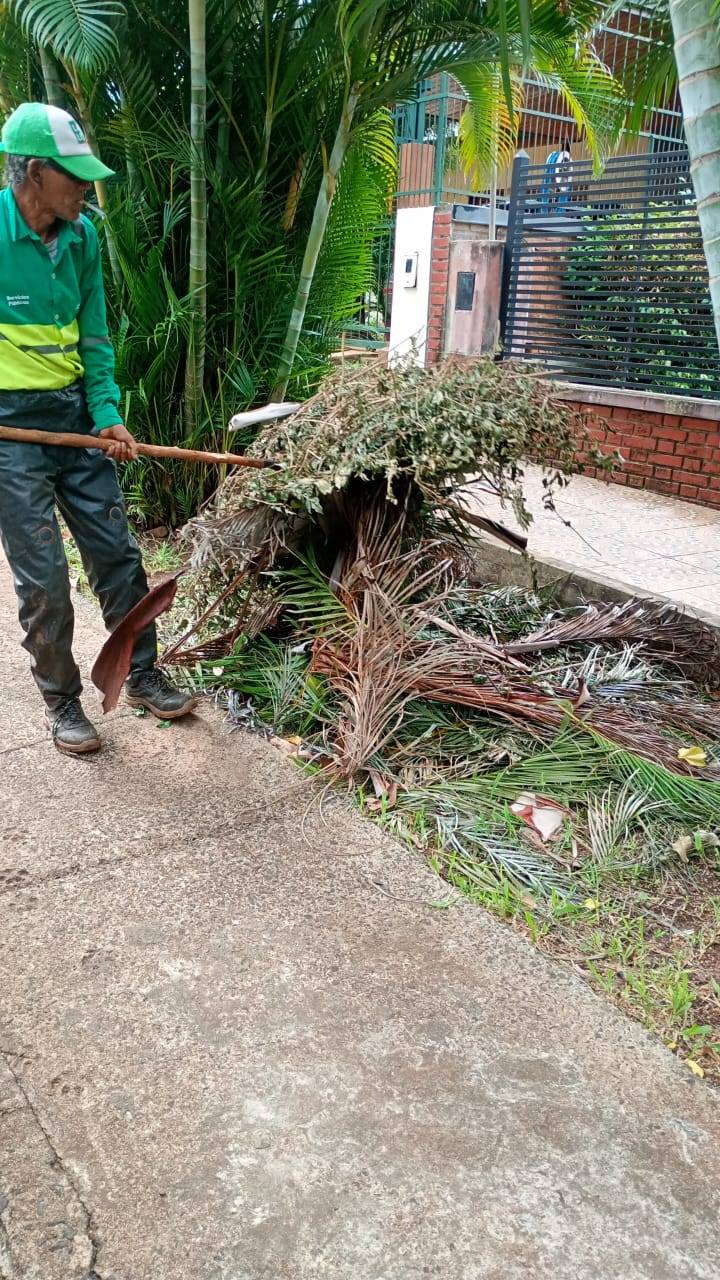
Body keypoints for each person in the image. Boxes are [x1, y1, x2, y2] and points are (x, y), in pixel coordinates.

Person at [0, 101, 196, 755]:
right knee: (45, 581)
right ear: (34, 174)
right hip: (10, 433)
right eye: (75, 175)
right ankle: (62, 703)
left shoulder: (82, 238)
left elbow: (94, 337)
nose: (87, 187)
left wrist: (107, 414)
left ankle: (142, 674)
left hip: (76, 419)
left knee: (118, 556)